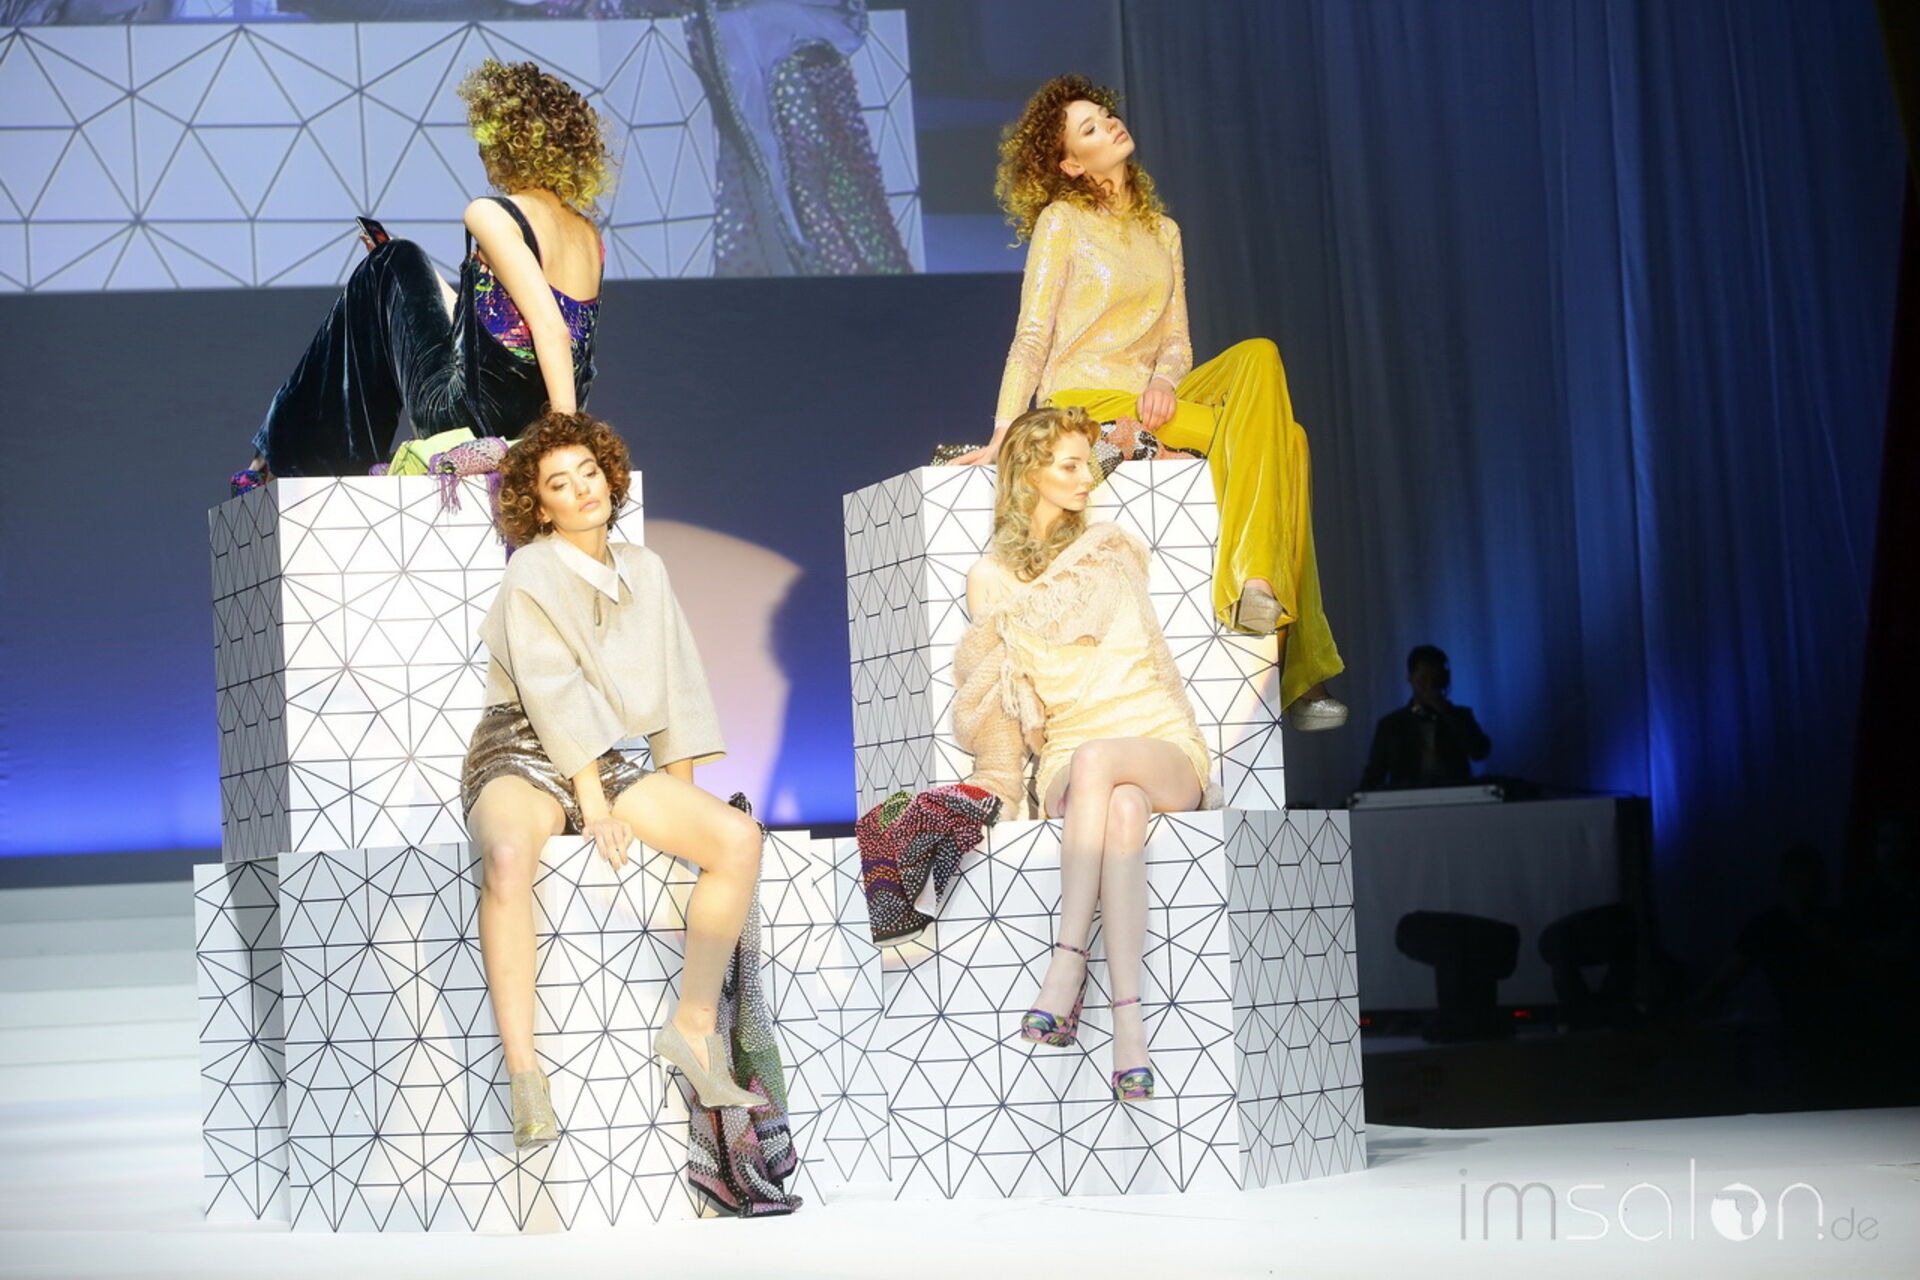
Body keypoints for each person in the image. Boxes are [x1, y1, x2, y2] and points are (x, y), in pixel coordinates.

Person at [950, 73, 1346, 730]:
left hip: (1153, 398)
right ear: (1071, 163)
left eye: (1105, 114)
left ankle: (1257, 582)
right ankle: (1296, 660)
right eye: (1089, 127)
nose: (1109, 123)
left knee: (1258, 355)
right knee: (1289, 442)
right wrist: (1003, 432)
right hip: (1087, 402)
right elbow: (1032, 335)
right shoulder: (1063, 221)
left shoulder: (1164, 231)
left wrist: (1164, 381)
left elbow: (1178, 341)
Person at [461, 411, 764, 1146]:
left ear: (609, 476)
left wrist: (682, 802)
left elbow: (677, 687)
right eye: (559, 484)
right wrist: (593, 806)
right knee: (509, 857)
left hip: (605, 758)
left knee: (736, 839)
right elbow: (551, 691)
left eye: (589, 473)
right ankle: (525, 1075)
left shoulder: (645, 568)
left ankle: (693, 1028)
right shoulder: (532, 568)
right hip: (519, 748)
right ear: (540, 506)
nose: (582, 490)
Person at [952, 405, 1220, 1102]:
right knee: (1120, 806)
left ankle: (1066, 967)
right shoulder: (990, 578)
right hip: (1072, 753)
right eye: (1068, 466)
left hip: (1156, 737)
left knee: (1108, 765)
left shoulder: (1109, 548)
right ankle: (1130, 1033)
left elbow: (1146, 665)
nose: (1085, 480)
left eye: (1086, 465)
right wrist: (997, 789)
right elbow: (996, 694)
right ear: (1027, 473)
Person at [237, 59, 609, 487]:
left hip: (473, 419)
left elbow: (551, 329)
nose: (480, 153)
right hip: (526, 419)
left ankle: (283, 457)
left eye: (483, 140)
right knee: (391, 263)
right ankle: (278, 451)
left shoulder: (491, 213)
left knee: (392, 259)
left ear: (506, 143)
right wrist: (411, 286)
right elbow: (503, 329)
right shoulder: (586, 233)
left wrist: (563, 440)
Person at [1358, 644, 1492, 790]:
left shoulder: (1460, 717)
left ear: (1445, 680)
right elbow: (1374, 775)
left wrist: (1446, 712)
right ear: (1411, 678)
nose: (1430, 686)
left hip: (1456, 796)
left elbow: (1479, 752)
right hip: (1407, 798)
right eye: (1423, 679)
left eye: (1436, 679)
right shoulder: (1391, 725)